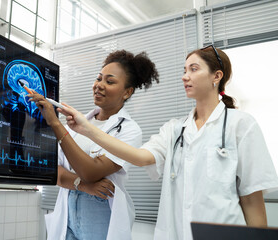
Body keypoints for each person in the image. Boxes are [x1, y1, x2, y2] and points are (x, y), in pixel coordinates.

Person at [59, 45, 278, 240]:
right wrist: (87, 129)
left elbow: (252, 200)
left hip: (226, 233)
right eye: (184, 70)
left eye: (193, 69)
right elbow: (140, 157)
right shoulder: (175, 129)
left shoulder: (241, 125)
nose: (185, 76)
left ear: (216, 76)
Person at [28, 50, 159, 240]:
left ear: (127, 92)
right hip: (67, 211)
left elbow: (90, 172)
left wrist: (55, 123)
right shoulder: (75, 125)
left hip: (101, 216)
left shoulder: (129, 130)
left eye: (110, 81)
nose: (99, 85)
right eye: (99, 78)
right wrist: (83, 185)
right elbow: (53, 172)